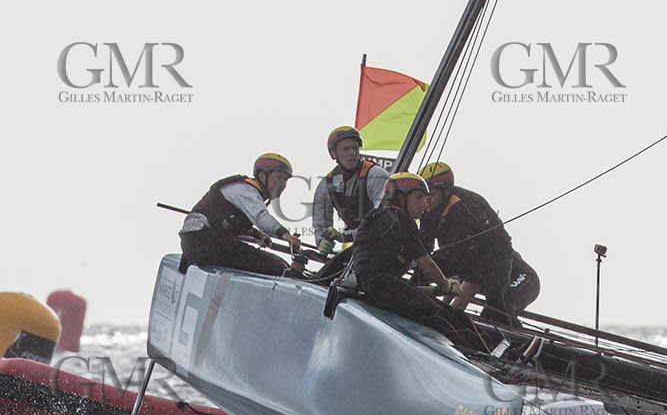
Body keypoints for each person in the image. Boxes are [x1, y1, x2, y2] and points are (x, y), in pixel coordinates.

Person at [350, 173, 485, 351]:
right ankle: (483, 356)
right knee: (447, 317)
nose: (424, 203)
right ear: (400, 197)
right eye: (419, 197)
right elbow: (426, 265)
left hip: (377, 288)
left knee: (448, 314)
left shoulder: (374, 217)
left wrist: (434, 290)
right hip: (383, 288)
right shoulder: (402, 220)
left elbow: (386, 279)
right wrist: (446, 285)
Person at [417, 161, 540, 325]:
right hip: (471, 263)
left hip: (521, 278)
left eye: (431, 195)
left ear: (445, 191)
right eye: (423, 196)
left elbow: (469, 282)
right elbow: (426, 255)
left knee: (496, 308)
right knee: (426, 269)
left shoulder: (465, 208)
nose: (427, 201)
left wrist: (445, 315)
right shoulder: (428, 211)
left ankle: (508, 337)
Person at [179, 153, 302, 276]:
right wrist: (285, 235)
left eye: (285, 180)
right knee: (277, 267)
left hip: (197, 242)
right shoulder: (245, 190)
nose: (282, 184)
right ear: (262, 176)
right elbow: (260, 217)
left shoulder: (247, 192)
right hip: (203, 241)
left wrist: (255, 233)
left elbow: (228, 222)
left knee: (277, 264)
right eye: (278, 177)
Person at [312, 126, 390, 257]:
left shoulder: (376, 175)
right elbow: (321, 223)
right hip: (360, 246)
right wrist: (321, 241)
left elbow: (383, 222)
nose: (352, 153)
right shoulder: (326, 185)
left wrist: (345, 236)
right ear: (333, 154)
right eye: (346, 149)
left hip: (386, 244)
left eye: (355, 148)